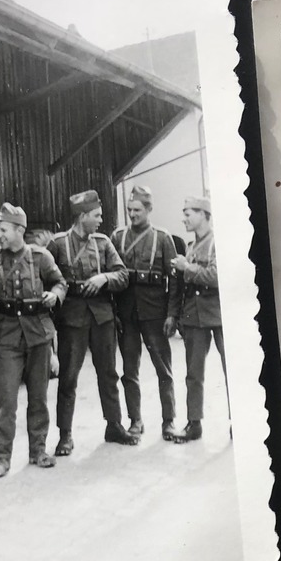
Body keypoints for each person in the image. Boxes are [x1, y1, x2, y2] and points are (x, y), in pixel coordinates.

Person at [0, 203, 68, 479]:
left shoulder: (41, 257)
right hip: (8, 336)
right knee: (6, 400)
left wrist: (55, 296)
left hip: (39, 335)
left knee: (38, 397)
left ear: (19, 230)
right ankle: (2, 457)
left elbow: (60, 282)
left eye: (3, 229)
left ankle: (38, 450)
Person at [47, 188, 132, 456]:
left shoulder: (104, 242)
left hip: (103, 318)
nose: (100, 220)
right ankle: (65, 435)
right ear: (82, 216)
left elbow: (122, 275)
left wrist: (103, 279)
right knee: (69, 377)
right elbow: (47, 278)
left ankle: (114, 425)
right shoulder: (58, 244)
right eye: (96, 215)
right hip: (71, 319)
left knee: (108, 373)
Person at [112, 185, 180, 441]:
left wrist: (172, 314)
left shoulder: (163, 238)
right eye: (129, 210)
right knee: (130, 371)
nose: (132, 214)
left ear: (149, 210)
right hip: (126, 314)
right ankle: (135, 421)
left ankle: (169, 421)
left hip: (155, 313)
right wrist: (114, 312)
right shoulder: (117, 237)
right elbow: (112, 275)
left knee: (164, 370)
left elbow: (175, 280)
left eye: (137, 210)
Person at [167, 194, 223, 444]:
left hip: (219, 313)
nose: (184, 219)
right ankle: (194, 423)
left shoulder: (217, 243)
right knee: (193, 372)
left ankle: (240, 422)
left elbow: (215, 276)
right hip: (194, 315)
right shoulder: (189, 247)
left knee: (231, 370)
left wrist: (186, 268)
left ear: (203, 215)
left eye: (188, 213)